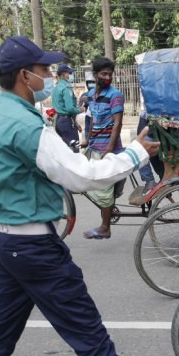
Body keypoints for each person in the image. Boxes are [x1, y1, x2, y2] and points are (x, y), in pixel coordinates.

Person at [0, 35, 175, 356]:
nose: (49, 76)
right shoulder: (25, 124)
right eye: (42, 70)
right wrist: (136, 154)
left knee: (0, 328)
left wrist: (2, 182)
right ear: (25, 76)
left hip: (2, 241)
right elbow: (81, 175)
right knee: (83, 323)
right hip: (34, 244)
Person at [81, 57, 126, 239]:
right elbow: (92, 120)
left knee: (104, 190)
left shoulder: (115, 95)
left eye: (110, 74)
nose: (107, 77)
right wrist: (87, 139)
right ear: (95, 75)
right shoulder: (91, 95)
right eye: (103, 74)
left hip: (108, 148)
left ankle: (105, 227)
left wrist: (109, 148)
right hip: (94, 146)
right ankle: (108, 211)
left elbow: (117, 124)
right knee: (86, 181)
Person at [52, 63, 80, 149]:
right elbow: (70, 109)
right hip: (66, 122)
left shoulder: (56, 88)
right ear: (64, 75)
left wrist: (75, 122)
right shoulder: (66, 88)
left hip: (58, 121)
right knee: (74, 149)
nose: (71, 75)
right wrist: (80, 110)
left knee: (63, 149)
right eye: (69, 73)